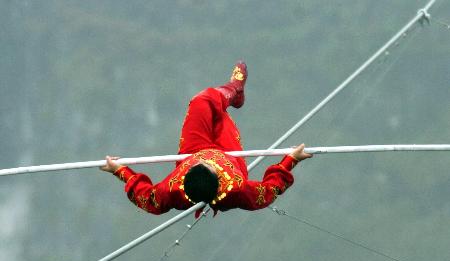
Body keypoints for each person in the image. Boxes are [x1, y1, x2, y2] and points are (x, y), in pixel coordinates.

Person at [101, 61, 312, 217]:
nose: (206, 161)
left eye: (199, 166)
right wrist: (291, 159)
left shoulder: (172, 190)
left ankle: (235, 91)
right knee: (219, 117)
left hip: (192, 151)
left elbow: (146, 198)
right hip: (229, 155)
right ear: (220, 180)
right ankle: (232, 94)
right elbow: (269, 190)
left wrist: (119, 170)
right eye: (208, 167)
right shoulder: (237, 190)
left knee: (201, 102)